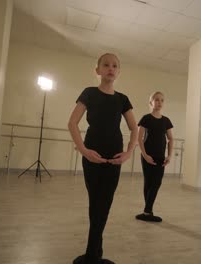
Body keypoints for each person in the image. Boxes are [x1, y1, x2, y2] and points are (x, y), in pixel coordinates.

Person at [68, 53, 138, 264]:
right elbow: (72, 123)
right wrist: (84, 150)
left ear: (118, 72)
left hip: (114, 157)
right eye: (106, 65)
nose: (110, 68)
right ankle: (94, 253)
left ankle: (93, 254)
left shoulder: (122, 99)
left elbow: (135, 128)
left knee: (104, 204)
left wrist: (127, 153)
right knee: (95, 203)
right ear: (97, 70)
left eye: (115, 66)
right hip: (92, 156)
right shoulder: (89, 93)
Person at [135, 91, 174, 222]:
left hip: (160, 158)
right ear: (151, 102)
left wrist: (169, 156)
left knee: (156, 183)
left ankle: (147, 211)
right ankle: (148, 212)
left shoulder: (166, 121)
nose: (159, 102)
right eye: (156, 100)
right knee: (148, 183)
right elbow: (139, 139)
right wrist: (145, 155)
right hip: (147, 157)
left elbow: (171, 139)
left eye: (162, 100)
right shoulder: (146, 118)